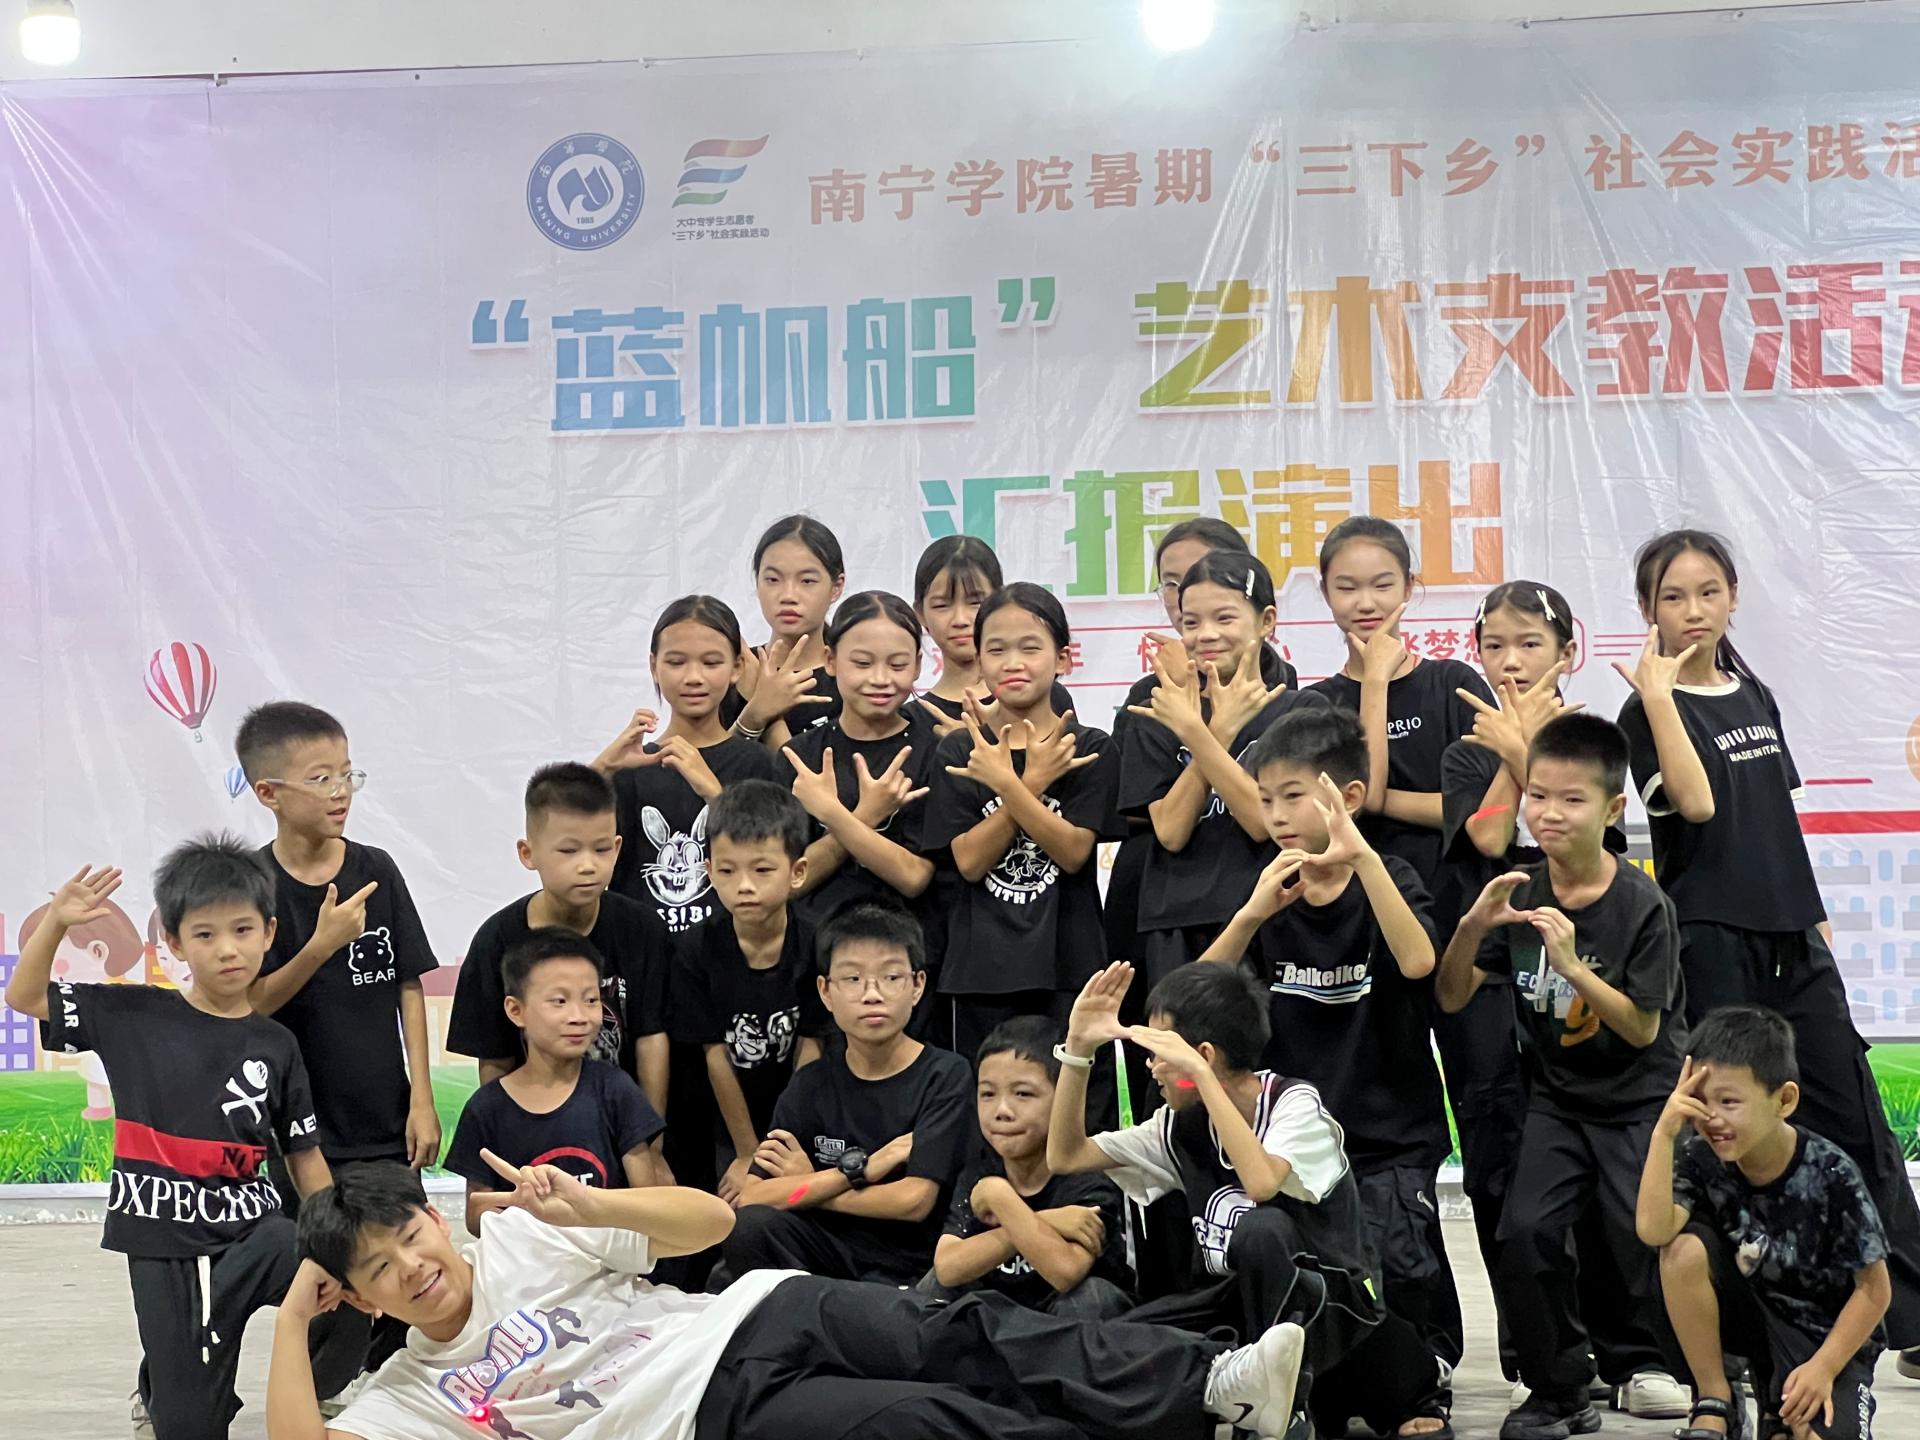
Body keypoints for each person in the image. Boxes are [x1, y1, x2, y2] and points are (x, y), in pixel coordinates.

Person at [268, 1159, 1310, 1440]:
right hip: (708, 1416)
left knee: (960, 1333)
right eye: (378, 1270)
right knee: (927, 1422)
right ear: (361, 1299)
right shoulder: (409, 1395)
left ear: (434, 1219)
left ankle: (1210, 1383)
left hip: (753, 1312)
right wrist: (290, 1321)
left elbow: (709, 1228)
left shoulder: (522, 1235)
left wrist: (590, 1207)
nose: (412, 1267)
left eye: (409, 1236)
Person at [1615, 529, 1920, 1350]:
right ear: (1646, 609)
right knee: (1727, 1131)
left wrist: (1814, 920)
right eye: (1672, 597)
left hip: (1793, 934)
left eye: (1708, 592)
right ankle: (1745, 1331)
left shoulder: (1752, 691)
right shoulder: (1643, 711)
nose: (1693, 611)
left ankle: (1905, 1317)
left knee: (1854, 1117)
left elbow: (1775, 818)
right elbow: (1697, 806)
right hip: (1713, 942)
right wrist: (1660, 700)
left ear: (1733, 597)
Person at [4, 839, 359, 1440]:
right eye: (205, 935)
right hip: (164, 1242)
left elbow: (303, 1153)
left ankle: (317, 1387)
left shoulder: (276, 1044)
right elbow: (24, 997)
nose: (227, 949)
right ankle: (170, 1382)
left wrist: (338, 1240)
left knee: (356, 1270)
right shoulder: (133, 1015)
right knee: (189, 1425)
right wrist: (57, 922)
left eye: (243, 930)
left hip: (255, 1231)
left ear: (269, 932)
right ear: (173, 942)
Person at [1047, 961, 1451, 1440]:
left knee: (1262, 1230)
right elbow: (1066, 1155)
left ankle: (1293, 1407)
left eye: (1159, 1052)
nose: (1150, 1066)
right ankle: (1252, 1397)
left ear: (1203, 1055)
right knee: (1116, 1339)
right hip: (1239, 1320)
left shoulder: (1294, 1105)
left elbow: (1261, 1183)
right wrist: (1077, 1050)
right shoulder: (1177, 1126)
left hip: (1332, 1317)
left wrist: (1202, 1077)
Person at [1306, 516, 1523, 1372]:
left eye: (1382, 585)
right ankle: (1410, 1348)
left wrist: (1385, 805)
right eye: (1346, 587)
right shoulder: (1317, 701)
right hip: (1372, 950)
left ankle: (1532, 1348)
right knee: (1392, 1153)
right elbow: (1357, 798)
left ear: (1411, 588)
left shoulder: (1452, 684)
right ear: (1323, 595)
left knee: (1495, 1136)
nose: (1366, 602)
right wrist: (1369, 684)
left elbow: (1473, 814)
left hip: (1464, 936)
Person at [1438, 713, 1691, 1437]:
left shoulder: (1643, 904)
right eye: (1539, 796)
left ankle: (1682, 1369)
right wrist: (1472, 927)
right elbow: (1451, 997)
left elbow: (1642, 1029)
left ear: (1612, 811)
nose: (1549, 813)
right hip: (1556, 1101)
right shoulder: (1519, 892)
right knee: (1525, 1232)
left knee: (1645, 1237)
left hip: (1641, 1101)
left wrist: (1574, 967)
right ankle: (1558, 1389)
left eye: (1572, 799)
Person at [1200, 704, 1462, 1379]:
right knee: (1321, 1270)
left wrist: (1364, 859)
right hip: (1299, 1137)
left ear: (1346, 797)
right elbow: (1200, 998)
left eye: (1293, 796)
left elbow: (1418, 963)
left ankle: (1426, 1374)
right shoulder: (1267, 889)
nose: (1277, 815)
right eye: (1265, 800)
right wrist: (1250, 915)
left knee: (1404, 1260)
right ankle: (1341, 1378)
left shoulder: (1391, 876)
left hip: (1391, 1129)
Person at [1638, 1007, 1892, 1440]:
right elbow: (1653, 1230)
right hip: (1749, 1317)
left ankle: (1781, 1413)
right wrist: (1664, 1133)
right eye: (1700, 1100)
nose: (1712, 1118)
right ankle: (1716, 1398)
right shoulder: (1699, 1157)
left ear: (1784, 1100)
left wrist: (1823, 1368)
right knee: (1681, 1248)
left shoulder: (1831, 1172)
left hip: (1821, 1338)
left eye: (1729, 1102)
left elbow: (1875, 1290)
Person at [711, 903, 973, 1290]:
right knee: (750, 1227)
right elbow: (753, 1194)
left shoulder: (946, 1075)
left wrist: (809, 1186)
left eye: (891, 977)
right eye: (852, 978)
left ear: (917, 985)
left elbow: (914, 1201)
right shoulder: (810, 1084)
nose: (872, 994)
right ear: (826, 991)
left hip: (907, 1264)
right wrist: (858, 1171)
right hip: (825, 1250)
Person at [237, 702, 440, 1171]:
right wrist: (320, 946)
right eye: (320, 779)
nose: (340, 792)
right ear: (268, 793)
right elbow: (251, 1004)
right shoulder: (251, 885)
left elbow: (407, 985)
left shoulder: (376, 869)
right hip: (294, 1131)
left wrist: (422, 1098)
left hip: (386, 1123)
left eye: (347, 775)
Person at [921, 582, 1120, 1060]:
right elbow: (969, 861)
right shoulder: (961, 750)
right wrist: (1030, 783)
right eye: (996, 650)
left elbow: (1073, 852)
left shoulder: (1088, 747)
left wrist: (1011, 786)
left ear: (1063, 658)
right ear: (978, 661)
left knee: (1073, 1096)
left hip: (1069, 967)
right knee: (991, 1097)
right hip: (981, 973)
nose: (1013, 663)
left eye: (1030, 648)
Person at [1123, 550, 1328, 981]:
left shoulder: (1301, 710)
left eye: (1225, 618)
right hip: (1177, 922)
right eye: (1191, 622)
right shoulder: (1158, 712)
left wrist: (1200, 734)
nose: (1206, 635)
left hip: (1275, 908)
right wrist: (1217, 730)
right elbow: (1171, 832)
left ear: (1266, 621)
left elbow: (1264, 822)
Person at [446, 763, 670, 1119]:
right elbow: (495, 1059)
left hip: (625, 1129)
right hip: (535, 1130)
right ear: (528, 853)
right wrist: (505, 1134)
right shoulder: (496, 941)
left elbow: (652, 1039)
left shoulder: (643, 929)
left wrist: (651, 1134)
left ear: (617, 848)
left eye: (601, 849)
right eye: (569, 851)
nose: (588, 865)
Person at [669, 780, 829, 1200]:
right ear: (708, 871)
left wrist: (780, 1147)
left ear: (797, 872)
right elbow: (714, 1054)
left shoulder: (816, 943)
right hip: (723, 1123)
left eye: (762, 870)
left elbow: (810, 1049)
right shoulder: (695, 949)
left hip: (800, 1114)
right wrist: (747, 1153)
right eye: (727, 871)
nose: (744, 885)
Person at [445, 929, 666, 1234]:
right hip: (527, 1260)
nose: (579, 1016)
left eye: (591, 1000)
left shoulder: (616, 1090)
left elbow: (647, 1201)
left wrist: (589, 1205)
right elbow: (476, 1216)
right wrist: (518, 1207)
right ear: (516, 1010)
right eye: (559, 1001)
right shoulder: (486, 1108)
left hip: (608, 1259)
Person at [923, 1016, 1134, 1319]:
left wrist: (998, 1199)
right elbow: (946, 1268)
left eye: (1023, 1094)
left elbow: (1065, 1272)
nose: (1002, 1111)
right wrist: (1044, 1220)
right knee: (934, 1289)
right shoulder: (982, 1172)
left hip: (1063, 1325)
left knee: (1092, 1297)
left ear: (1065, 1099)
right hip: (998, 1316)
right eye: (987, 1094)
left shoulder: (1087, 1178)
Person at [593, 595, 778, 937]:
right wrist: (602, 769)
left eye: (711, 662)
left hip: (730, 951)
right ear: (654, 666)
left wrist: (714, 792)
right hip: (643, 951)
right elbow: (567, 848)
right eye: (676, 662)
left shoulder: (758, 763)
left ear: (737, 667)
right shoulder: (631, 766)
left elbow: (774, 862)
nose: (694, 677)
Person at [780, 591, 939, 927]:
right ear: (830, 659)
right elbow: (787, 881)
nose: (880, 679)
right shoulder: (798, 757)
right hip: (818, 946)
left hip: (908, 947)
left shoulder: (936, 751)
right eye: (863, 663)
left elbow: (914, 877)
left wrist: (834, 814)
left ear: (917, 665)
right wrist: (866, 816)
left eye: (897, 665)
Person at [725, 513, 847, 750]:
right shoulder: (737, 669)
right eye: (773, 579)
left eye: (807, 581)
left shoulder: (850, 674)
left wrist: (763, 705)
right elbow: (708, 766)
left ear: (836, 587)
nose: (788, 595)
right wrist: (753, 713)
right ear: (757, 582)